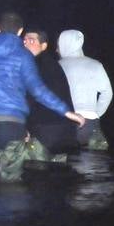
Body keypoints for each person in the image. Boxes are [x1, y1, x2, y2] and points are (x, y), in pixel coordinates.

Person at [0, 11, 85, 183]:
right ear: (20, 32)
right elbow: (38, 91)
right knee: (11, 181)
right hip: (12, 126)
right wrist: (67, 112)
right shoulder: (24, 56)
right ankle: (12, 208)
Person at [22, 28, 79, 165]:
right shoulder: (53, 65)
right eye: (24, 40)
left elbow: (30, 97)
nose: (25, 43)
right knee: (57, 176)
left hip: (44, 130)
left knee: (36, 174)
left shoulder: (34, 65)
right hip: (63, 131)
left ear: (44, 46)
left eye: (31, 40)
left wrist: (23, 126)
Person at [58, 29, 112, 150]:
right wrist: (96, 113)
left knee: (63, 163)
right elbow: (107, 93)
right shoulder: (95, 65)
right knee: (91, 164)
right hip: (90, 123)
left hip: (64, 121)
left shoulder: (57, 65)